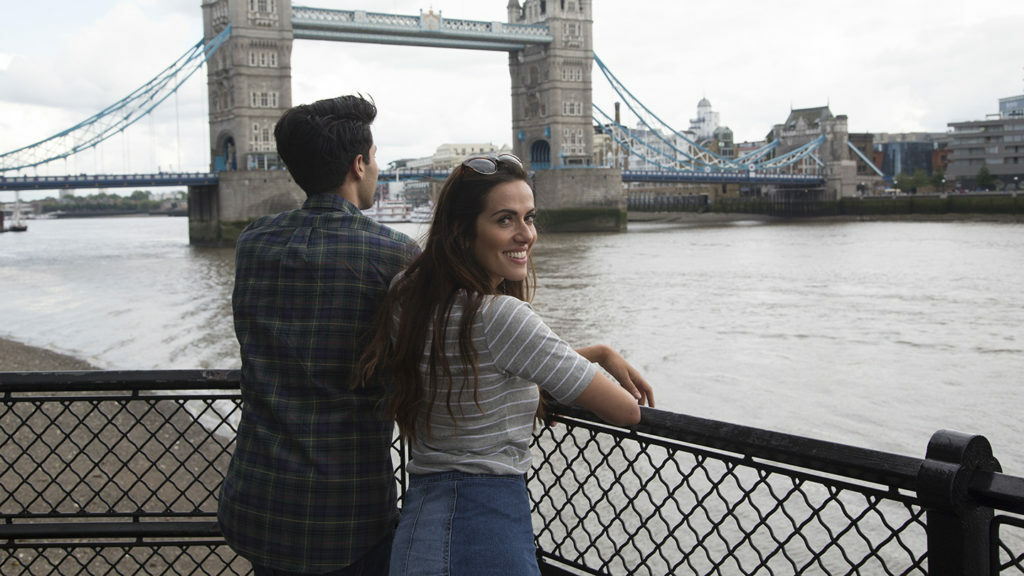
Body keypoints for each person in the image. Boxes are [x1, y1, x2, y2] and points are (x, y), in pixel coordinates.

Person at [359, 152, 655, 576]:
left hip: (419, 524)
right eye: (505, 220)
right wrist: (595, 361)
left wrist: (598, 352)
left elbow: (479, 359)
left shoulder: (406, 293)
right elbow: (625, 410)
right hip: (488, 527)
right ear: (462, 232)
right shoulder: (500, 317)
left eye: (529, 218)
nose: (526, 235)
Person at [218, 95, 421, 575]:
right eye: (375, 157)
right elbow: (443, 353)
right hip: (346, 512)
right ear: (358, 164)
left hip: (257, 499)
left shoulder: (253, 243)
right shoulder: (394, 254)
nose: (377, 168)